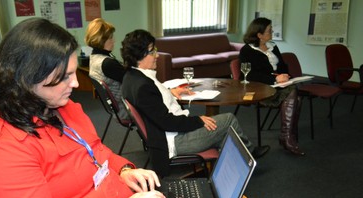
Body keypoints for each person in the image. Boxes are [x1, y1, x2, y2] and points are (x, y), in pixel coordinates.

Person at [0, 18, 231, 198]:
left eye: (74, 72)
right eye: (63, 77)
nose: (75, 84)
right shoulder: (5, 149)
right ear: (26, 78)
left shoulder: (64, 109)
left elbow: (98, 150)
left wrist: (125, 170)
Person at [120, 29, 270, 177]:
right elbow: (166, 122)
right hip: (175, 140)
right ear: (140, 56)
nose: (157, 55)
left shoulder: (132, 77)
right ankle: (250, 153)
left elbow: (152, 102)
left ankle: (234, 164)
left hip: (170, 133)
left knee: (221, 129)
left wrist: (170, 92)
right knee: (228, 120)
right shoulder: (143, 87)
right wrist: (198, 120)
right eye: (152, 52)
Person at [240, 17, 305, 156]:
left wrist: (285, 75)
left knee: (295, 95)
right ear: (259, 35)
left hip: (279, 84)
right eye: (269, 30)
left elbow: (282, 66)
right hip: (260, 87)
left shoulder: (273, 46)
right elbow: (249, 75)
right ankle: (287, 137)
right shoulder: (247, 50)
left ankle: (287, 136)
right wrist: (275, 78)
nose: (272, 32)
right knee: (294, 94)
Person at [85, 18, 129, 120]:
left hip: (114, 108)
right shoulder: (107, 63)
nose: (114, 40)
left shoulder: (94, 58)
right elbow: (132, 80)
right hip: (126, 109)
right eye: (110, 38)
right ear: (101, 40)